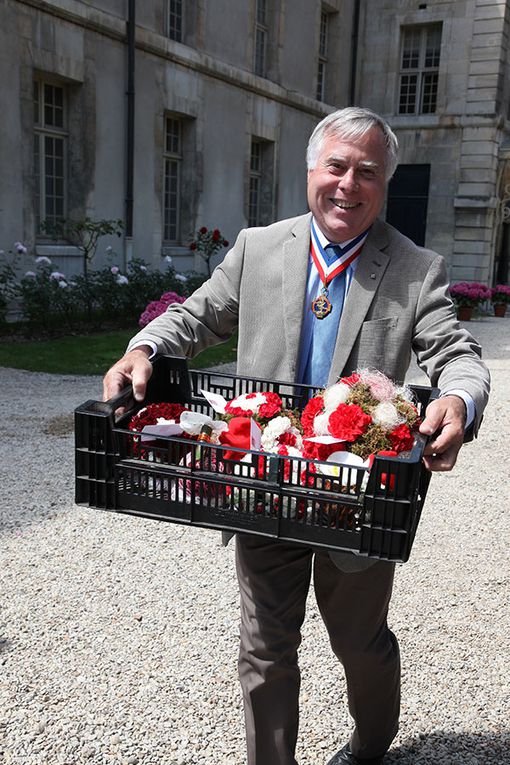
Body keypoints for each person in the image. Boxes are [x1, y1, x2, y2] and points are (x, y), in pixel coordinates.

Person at [103, 107, 490, 765]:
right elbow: (193, 319)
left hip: (358, 494)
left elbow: (456, 351)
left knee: (359, 643)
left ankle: (372, 743)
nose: (348, 183)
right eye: (336, 166)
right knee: (263, 648)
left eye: (367, 171)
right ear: (312, 169)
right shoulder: (260, 247)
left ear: (384, 182)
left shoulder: (414, 267)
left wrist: (459, 396)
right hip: (264, 483)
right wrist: (144, 346)